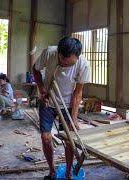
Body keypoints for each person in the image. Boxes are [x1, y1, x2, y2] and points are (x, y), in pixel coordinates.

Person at [33, 37, 90, 180]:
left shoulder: (83, 65)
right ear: (58, 52)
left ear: (77, 57)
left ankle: (68, 173)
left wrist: (74, 118)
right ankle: (52, 171)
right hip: (48, 100)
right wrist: (41, 90)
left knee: (69, 140)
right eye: (61, 59)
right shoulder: (49, 53)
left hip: (68, 104)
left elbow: (78, 92)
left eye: (68, 62)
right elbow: (35, 69)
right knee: (46, 138)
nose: (63, 63)